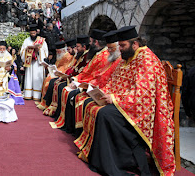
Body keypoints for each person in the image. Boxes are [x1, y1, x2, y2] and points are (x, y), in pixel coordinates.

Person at [75, 26, 175, 176]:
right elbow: (115, 82)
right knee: (95, 107)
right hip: (127, 104)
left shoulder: (147, 59)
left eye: (123, 45)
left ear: (134, 44)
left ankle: (116, 163)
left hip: (144, 110)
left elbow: (143, 94)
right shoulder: (128, 57)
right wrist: (103, 93)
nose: (120, 49)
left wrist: (114, 98)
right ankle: (105, 161)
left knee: (105, 114)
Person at [43, 35, 90, 117]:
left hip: (77, 81)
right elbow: (72, 68)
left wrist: (70, 77)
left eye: (78, 47)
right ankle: (53, 108)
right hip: (71, 78)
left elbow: (82, 71)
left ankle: (61, 114)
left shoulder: (85, 56)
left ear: (84, 47)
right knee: (55, 83)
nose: (77, 48)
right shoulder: (79, 55)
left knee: (61, 87)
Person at [37, 40, 74, 110]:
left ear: (63, 50)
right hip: (57, 72)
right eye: (57, 51)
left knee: (50, 80)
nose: (57, 53)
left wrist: (57, 72)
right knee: (47, 78)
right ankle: (43, 101)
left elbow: (66, 67)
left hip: (62, 74)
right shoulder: (60, 56)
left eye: (58, 51)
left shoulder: (67, 56)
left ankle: (47, 103)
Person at [20, 24, 48, 100]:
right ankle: (28, 94)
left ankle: (37, 96)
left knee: (37, 79)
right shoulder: (26, 40)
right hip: (30, 63)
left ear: (36, 32)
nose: (33, 35)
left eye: (34, 33)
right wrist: (29, 49)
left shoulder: (42, 41)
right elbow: (21, 52)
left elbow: (45, 52)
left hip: (38, 63)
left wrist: (38, 50)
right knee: (29, 78)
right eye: (31, 33)